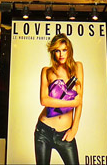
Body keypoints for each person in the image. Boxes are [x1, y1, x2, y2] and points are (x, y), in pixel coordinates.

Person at [35, 33, 83, 165]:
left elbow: (79, 102)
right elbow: (44, 100)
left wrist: (74, 129)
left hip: (65, 133)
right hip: (43, 131)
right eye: (57, 51)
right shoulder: (46, 71)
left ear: (69, 50)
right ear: (53, 52)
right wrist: (71, 102)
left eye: (64, 50)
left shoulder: (77, 67)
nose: (61, 54)